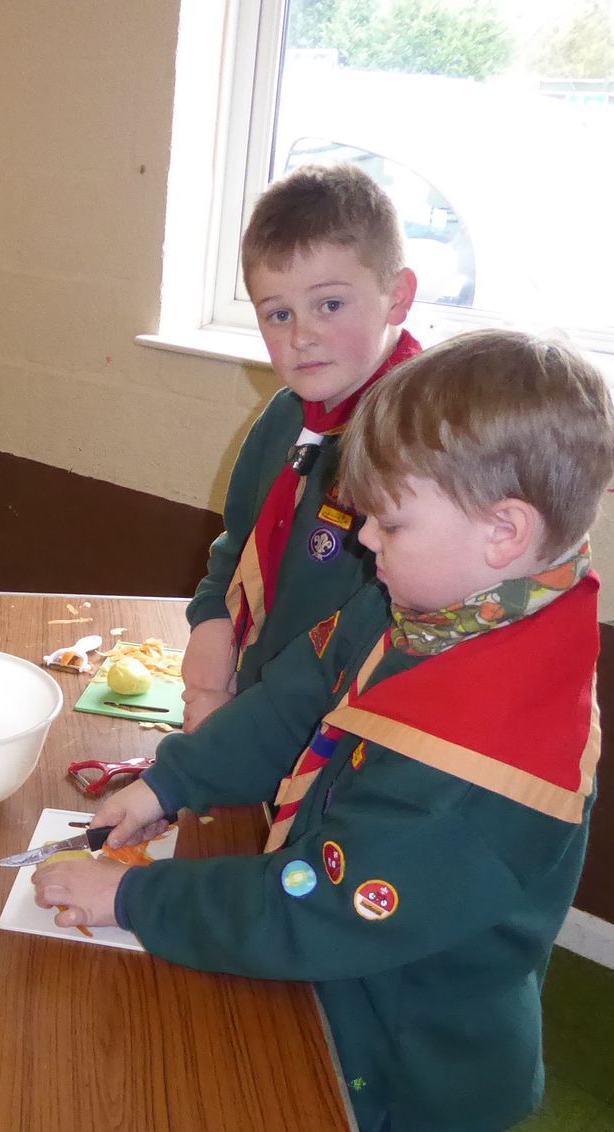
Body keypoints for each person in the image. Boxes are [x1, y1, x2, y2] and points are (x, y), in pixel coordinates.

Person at [34, 329, 614, 1132]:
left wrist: (131, 894)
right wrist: (170, 783)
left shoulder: (490, 757)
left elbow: (313, 910)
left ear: (505, 532)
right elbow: (301, 692)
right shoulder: (432, 601)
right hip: (343, 1008)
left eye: (390, 523)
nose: (365, 545)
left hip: (410, 1079)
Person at [179, 163, 419, 733]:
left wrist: (242, 732)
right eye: (278, 314)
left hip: (337, 732)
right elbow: (239, 543)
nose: (300, 336)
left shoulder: (421, 445)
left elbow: (384, 632)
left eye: (329, 305)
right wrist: (212, 619)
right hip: (249, 702)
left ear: (398, 297)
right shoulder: (286, 416)